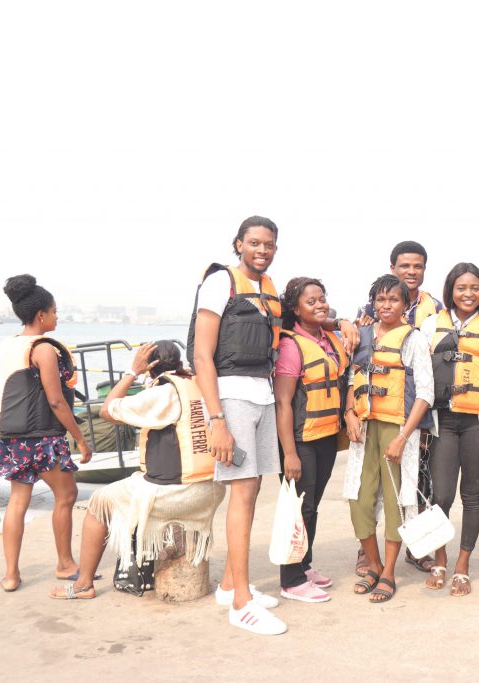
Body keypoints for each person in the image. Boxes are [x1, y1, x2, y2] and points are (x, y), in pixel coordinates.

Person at [49, 341, 225, 600]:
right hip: (210, 488)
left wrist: (133, 372)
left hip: (180, 493)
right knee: (133, 484)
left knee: (98, 503)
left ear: (150, 366)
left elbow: (108, 410)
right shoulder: (197, 383)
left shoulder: (162, 393)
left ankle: (84, 584)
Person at [187, 215, 287, 635]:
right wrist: (217, 420)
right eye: (254, 243)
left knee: (253, 487)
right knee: (242, 492)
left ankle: (230, 585)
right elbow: (202, 355)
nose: (262, 250)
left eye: (269, 244)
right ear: (239, 244)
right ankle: (241, 604)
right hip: (232, 397)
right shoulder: (220, 282)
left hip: (263, 394)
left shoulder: (268, 288)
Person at [0, 275, 92, 593]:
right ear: (41, 315)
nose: (57, 317)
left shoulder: (8, 345)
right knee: (67, 495)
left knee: (18, 500)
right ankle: (65, 564)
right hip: (41, 438)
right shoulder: (43, 349)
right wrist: (80, 438)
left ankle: (11, 575)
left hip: (11, 439)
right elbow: (56, 401)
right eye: (55, 311)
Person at [419, 263, 479, 596]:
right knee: (441, 496)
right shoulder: (431, 325)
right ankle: (440, 558)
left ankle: (462, 565)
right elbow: (421, 375)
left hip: (477, 424)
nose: (468, 294)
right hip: (442, 421)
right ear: (450, 291)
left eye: (474, 288)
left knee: (472, 496)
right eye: (461, 288)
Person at [355, 240, 443, 576]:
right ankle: (369, 558)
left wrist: (410, 433)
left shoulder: (433, 312)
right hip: (371, 419)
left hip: (407, 418)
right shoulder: (367, 320)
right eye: (404, 265)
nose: (411, 271)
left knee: (409, 491)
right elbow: (355, 372)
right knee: (363, 494)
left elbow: (426, 387)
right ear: (393, 267)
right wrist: (350, 413)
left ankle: (407, 554)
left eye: (417, 266)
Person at [343, 275, 433, 604]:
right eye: (380, 299)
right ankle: (375, 565)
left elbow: (425, 394)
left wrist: (404, 437)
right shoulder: (362, 335)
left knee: (397, 500)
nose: (386, 305)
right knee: (358, 498)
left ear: (406, 304)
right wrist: (349, 414)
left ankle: (389, 573)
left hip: (398, 429)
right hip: (365, 428)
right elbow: (351, 379)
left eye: (394, 299)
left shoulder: (414, 339)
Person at [273, 277, 350, 604]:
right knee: (298, 509)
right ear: (295, 308)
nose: (320, 305)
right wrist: (289, 453)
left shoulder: (328, 338)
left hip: (326, 436)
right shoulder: (291, 345)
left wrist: (342, 322)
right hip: (300, 439)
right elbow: (283, 402)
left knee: (312, 506)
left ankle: (304, 565)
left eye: (322, 299)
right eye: (311, 301)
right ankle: (290, 580)